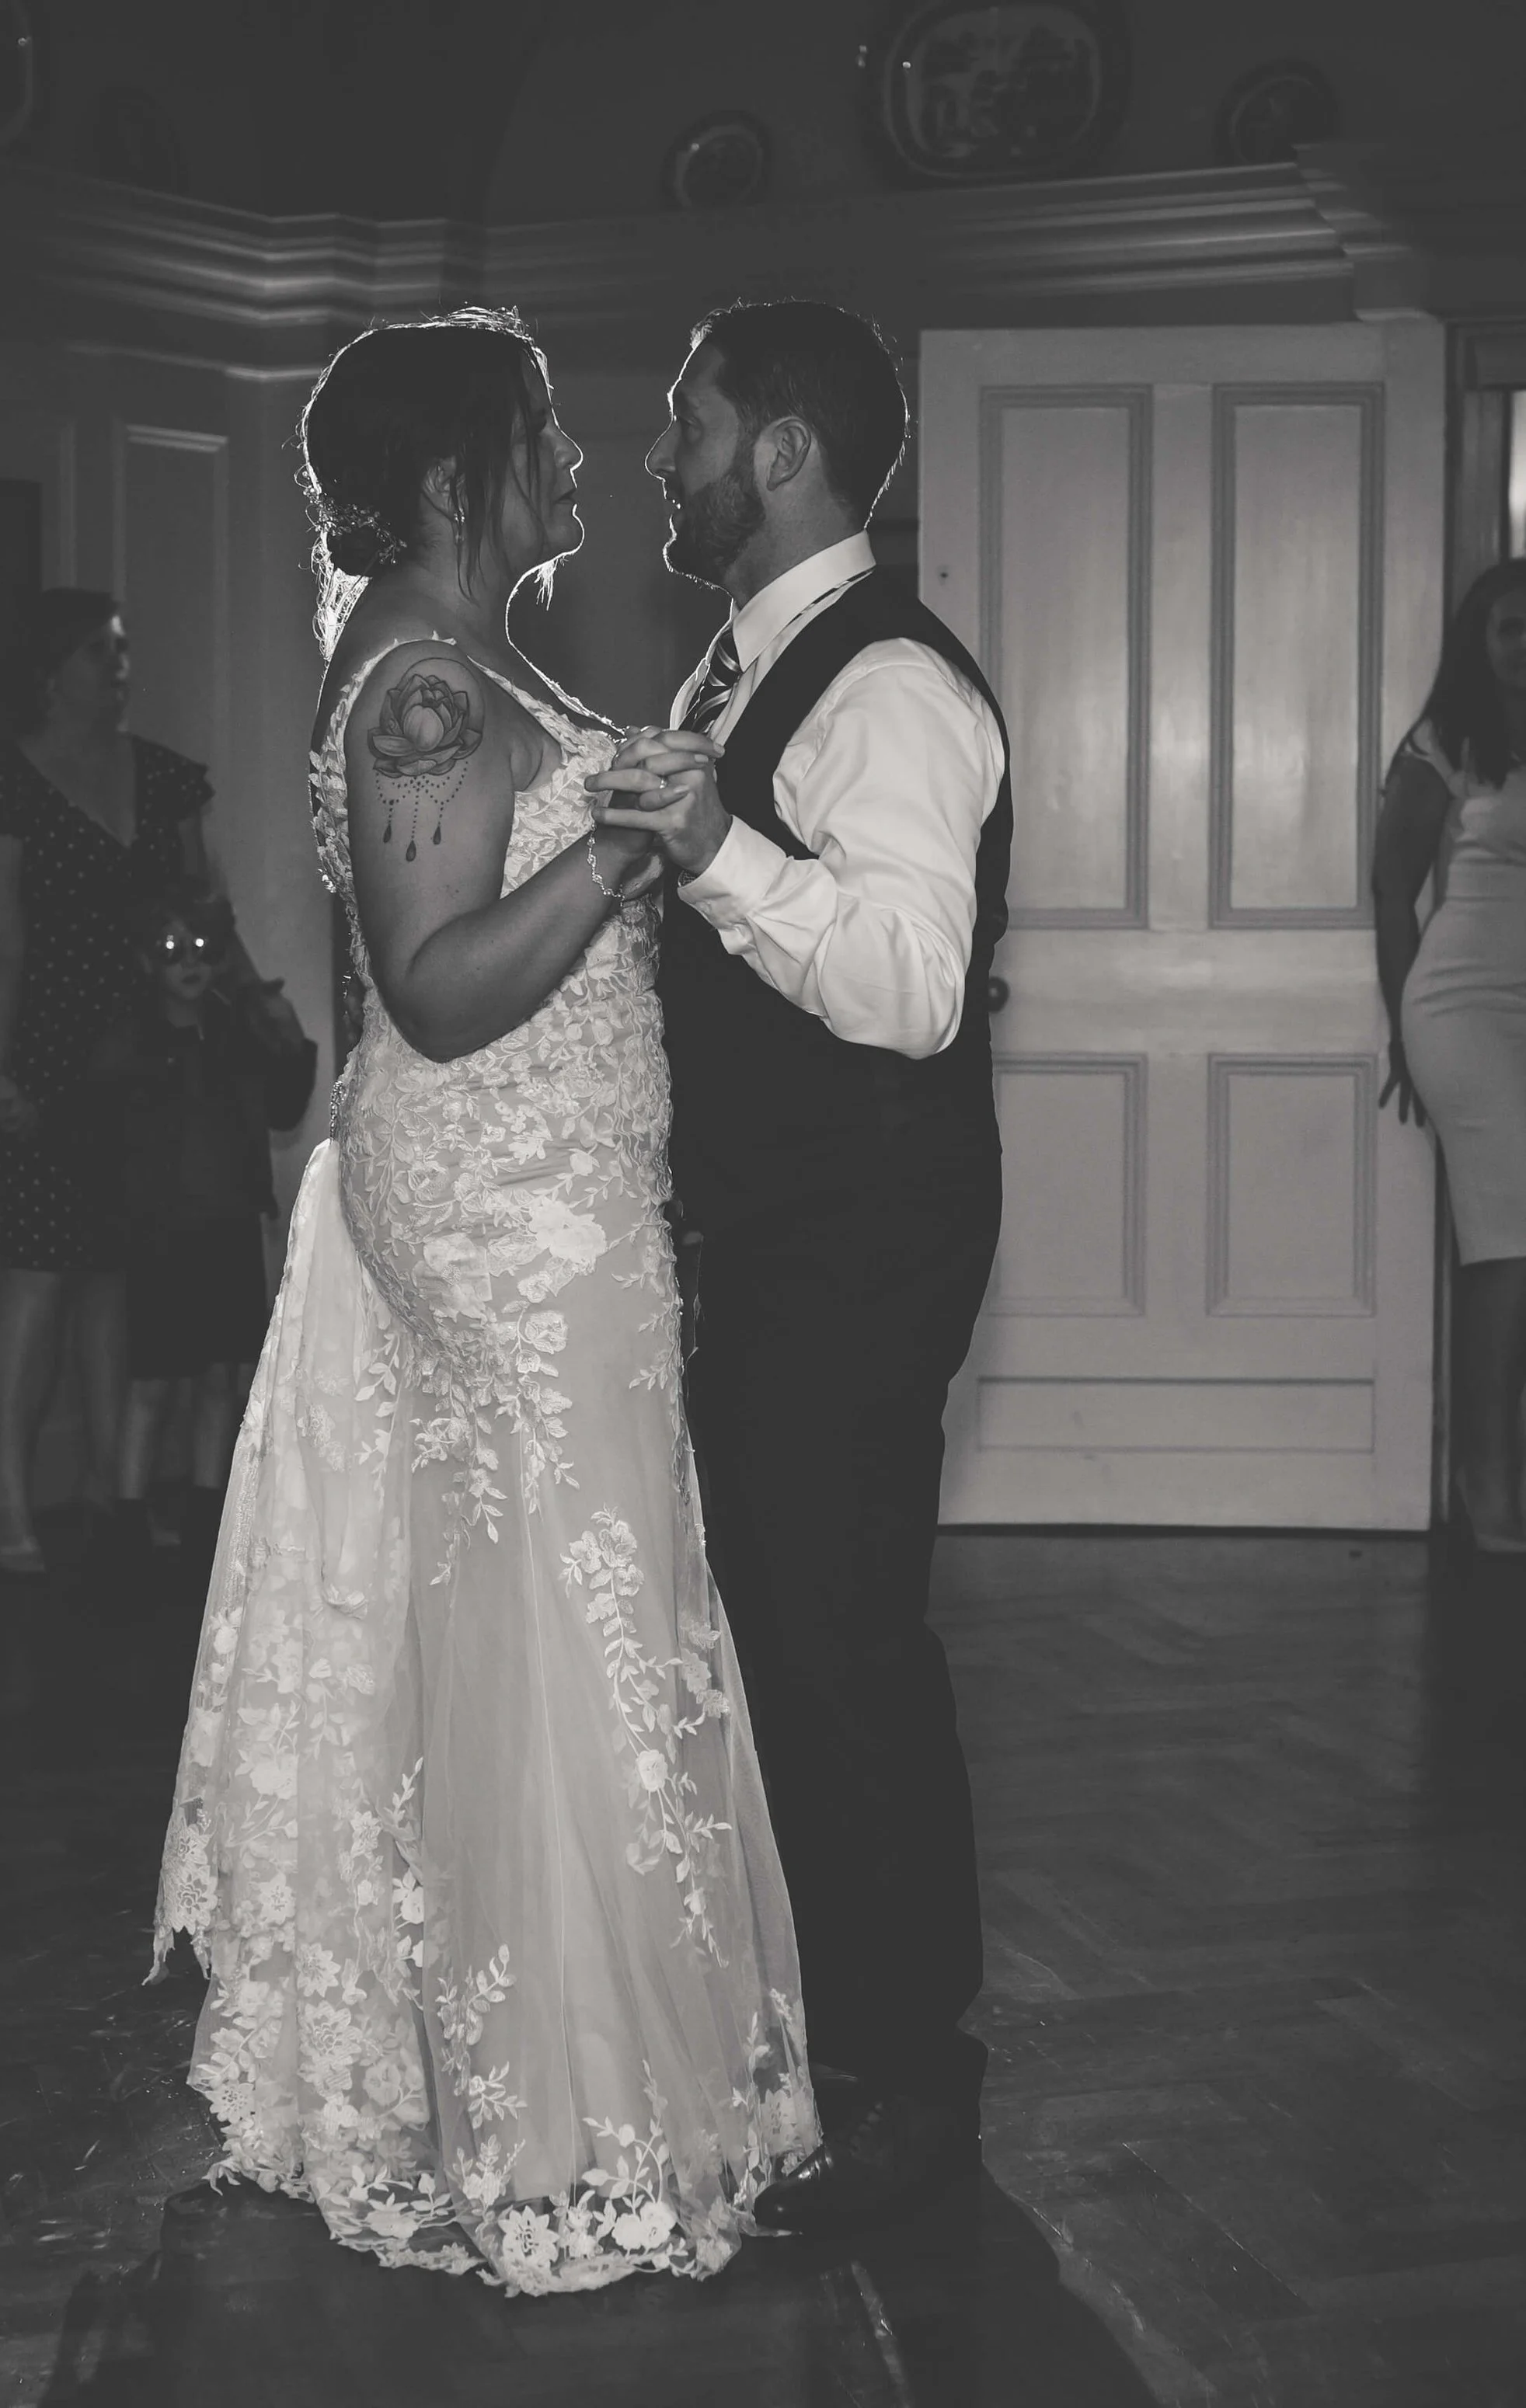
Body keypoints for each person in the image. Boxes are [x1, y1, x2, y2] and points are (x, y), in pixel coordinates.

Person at [150, 308, 819, 2294]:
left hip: (559, 1196)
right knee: (572, 1609)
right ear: (455, 481)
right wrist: (624, 854)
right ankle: (568, 2128)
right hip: (512, 1217)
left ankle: (559, 2084)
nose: (583, 465)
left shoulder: (452, 664)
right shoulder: (420, 697)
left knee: (570, 1599)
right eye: (544, 435)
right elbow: (435, 989)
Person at [590, 299, 1012, 2235]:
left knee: (839, 1643)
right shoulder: (743, 663)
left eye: (688, 426)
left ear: (779, 454)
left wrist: (716, 855)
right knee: (788, 1627)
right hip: (780, 1222)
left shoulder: (892, 684)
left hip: (856, 1230)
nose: (663, 460)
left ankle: (909, 2071)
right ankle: (837, 2028)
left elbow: (913, 989)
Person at [0, 589, 276, 1578]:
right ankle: (5, 1497)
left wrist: (249, 1023)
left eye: (124, 649)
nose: (120, 665)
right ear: (51, 670)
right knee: (42, 1270)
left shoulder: (167, 780)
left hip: (153, 1062)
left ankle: (110, 1484)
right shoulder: (4, 787)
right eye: (100, 651)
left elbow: (208, 913)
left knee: (122, 1272)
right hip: (52, 1060)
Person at [89, 879, 316, 1600]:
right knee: (153, 1381)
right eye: (169, 948)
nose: (188, 961)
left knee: (225, 1373)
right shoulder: (125, 1042)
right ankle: (125, 1526)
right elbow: (100, 1138)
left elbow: (283, 1111)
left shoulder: (236, 1032)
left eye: (203, 947)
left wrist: (286, 1036)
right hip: (161, 1235)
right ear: (142, 959)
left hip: (227, 1228)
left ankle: (206, 1519)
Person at [1374, 558, 1526, 1555]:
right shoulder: (1443, 744)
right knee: (1506, 1239)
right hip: (1463, 1006)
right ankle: (1485, 1476)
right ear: (1480, 636)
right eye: (1512, 627)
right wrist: (1400, 1027)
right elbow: (1391, 892)